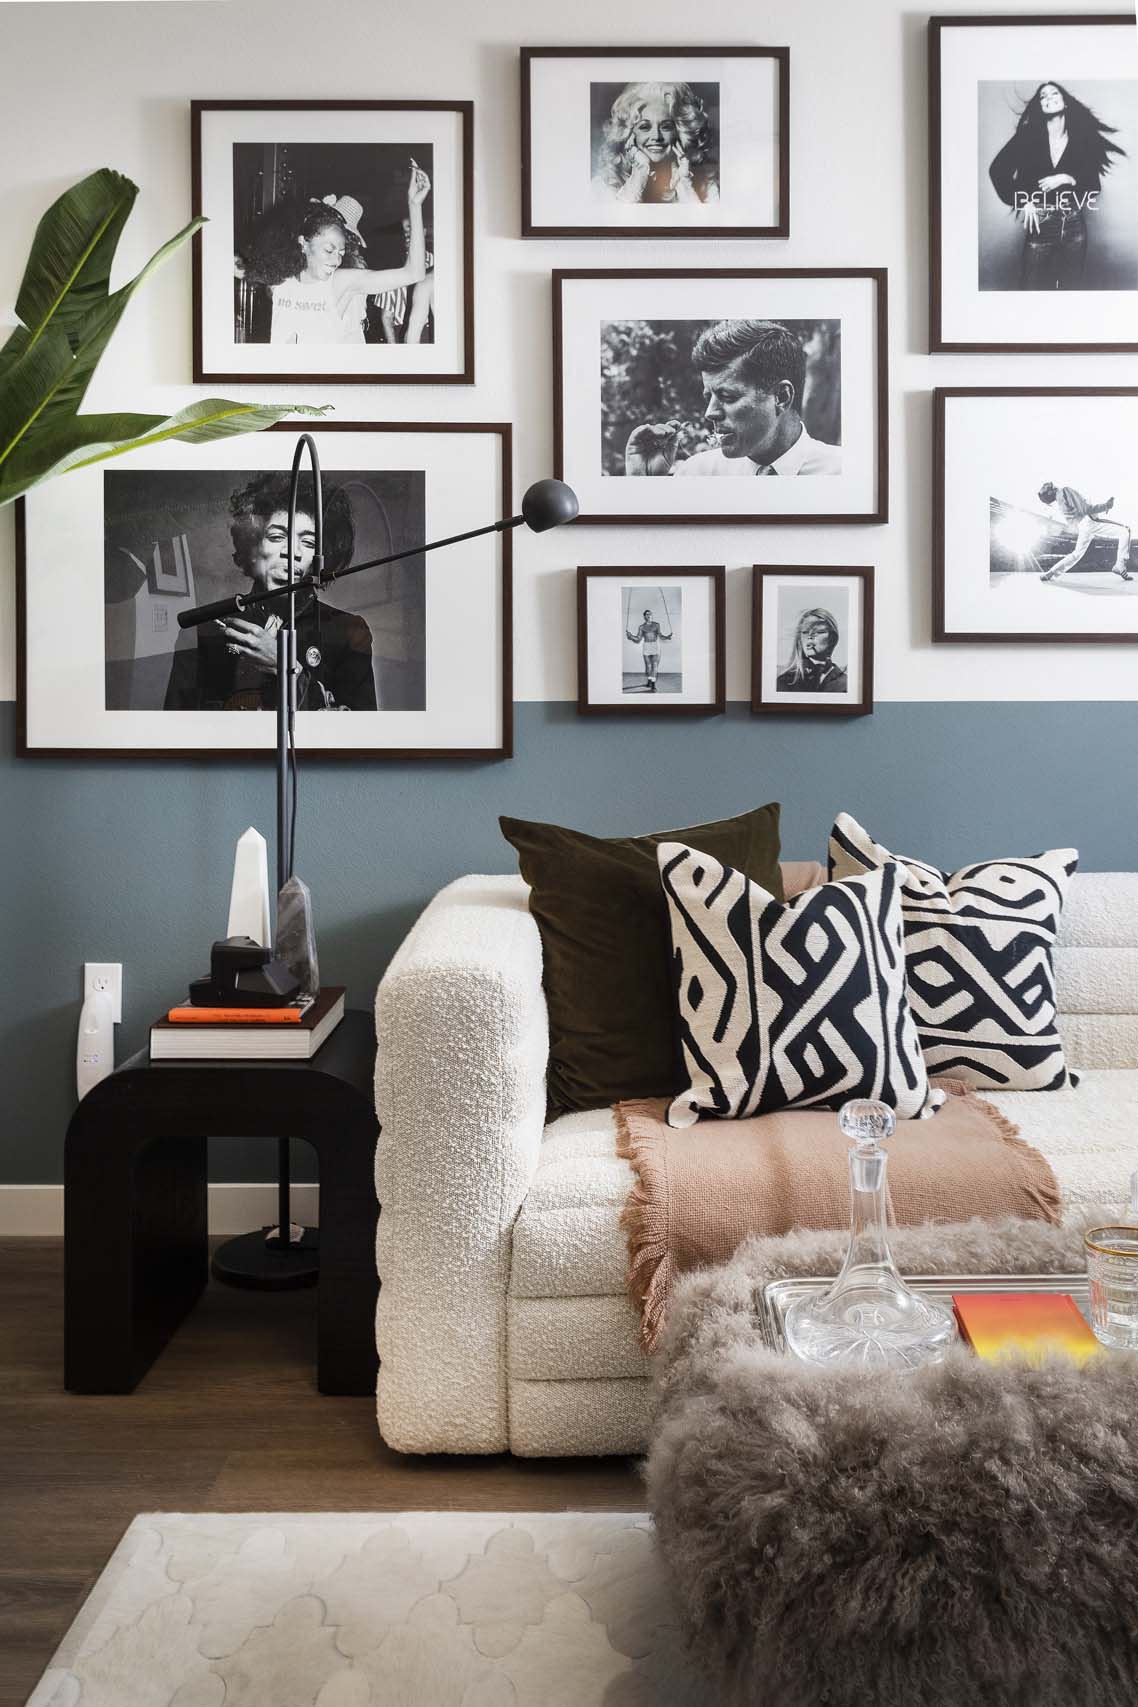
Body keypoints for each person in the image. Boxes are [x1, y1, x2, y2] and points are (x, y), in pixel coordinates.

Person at [164, 473, 378, 711]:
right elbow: (176, 725)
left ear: (320, 557)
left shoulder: (349, 632)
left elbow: (359, 731)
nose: (293, 552)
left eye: (309, 542)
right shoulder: (203, 630)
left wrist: (283, 666)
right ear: (252, 547)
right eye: (277, 537)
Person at [238, 162, 431, 345]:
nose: (337, 259)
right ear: (303, 243)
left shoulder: (340, 282)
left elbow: (414, 273)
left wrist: (414, 206)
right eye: (329, 250)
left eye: (341, 251)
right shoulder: (279, 279)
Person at [624, 320, 841, 477]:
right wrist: (644, 485)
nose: (710, 413)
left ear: (782, 397)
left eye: (727, 396)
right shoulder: (697, 474)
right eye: (708, 397)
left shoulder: (842, 472)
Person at [988, 82, 1126, 291]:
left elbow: (1093, 187)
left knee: (1070, 291)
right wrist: (1023, 201)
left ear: (1065, 102)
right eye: (1043, 96)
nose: (1048, 98)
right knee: (1031, 290)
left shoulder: (1081, 139)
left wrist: (1068, 178)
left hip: (1074, 226)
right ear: (1040, 105)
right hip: (1040, 225)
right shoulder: (1028, 136)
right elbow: (998, 170)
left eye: (1054, 93)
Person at [594, 81, 719, 205]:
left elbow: (703, 218)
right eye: (644, 127)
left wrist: (684, 185)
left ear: (680, 131)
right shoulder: (604, 184)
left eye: (666, 127)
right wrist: (639, 175)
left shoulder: (707, 184)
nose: (656, 137)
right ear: (629, 133)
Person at [1036, 481, 1132, 583]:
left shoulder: (1060, 500)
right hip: (1089, 522)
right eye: (1044, 487)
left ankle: (1051, 573)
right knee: (1125, 531)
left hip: (1082, 526)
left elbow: (1074, 518)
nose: (1045, 484)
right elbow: (1086, 509)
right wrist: (1106, 506)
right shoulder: (1064, 491)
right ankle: (1120, 565)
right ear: (1050, 492)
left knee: (1076, 554)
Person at [626, 606, 673, 691]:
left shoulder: (656, 625)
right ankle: (649, 680)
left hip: (655, 646)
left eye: (650, 614)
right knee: (648, 667)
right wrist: (631, 636)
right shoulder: (641, 627)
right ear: (644, 616)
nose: (649, 615)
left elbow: (660, 636)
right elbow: (638, 639)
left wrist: (667, 637)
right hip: (646, 646)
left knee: (654, 665)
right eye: (647, 614)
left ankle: (653, 685)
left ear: (652, 615)